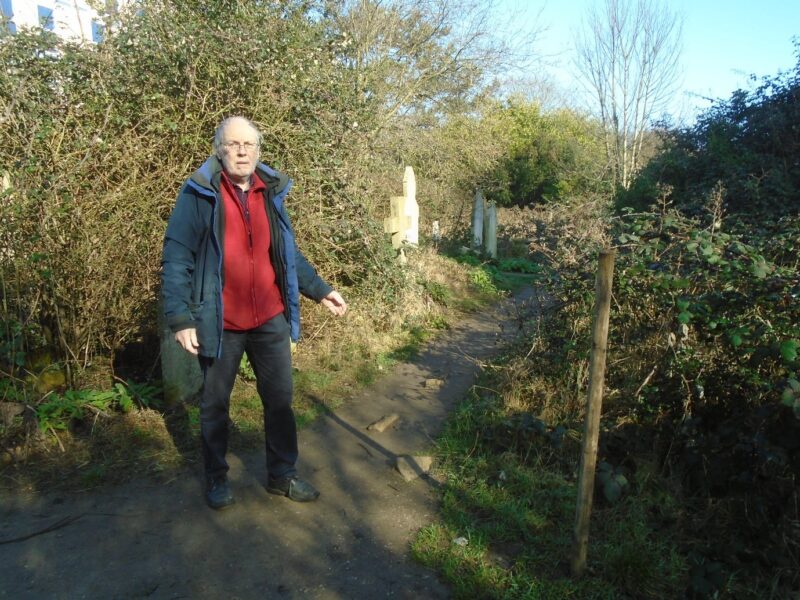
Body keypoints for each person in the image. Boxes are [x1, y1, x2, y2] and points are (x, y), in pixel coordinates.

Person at [161, 116, 347, 509]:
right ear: (219, 149)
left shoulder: (270, 191)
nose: (241, 151)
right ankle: (216, 478)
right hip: (220, 321)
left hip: (270, 320)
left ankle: (283, 475)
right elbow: (177, 257)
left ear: (259, 150)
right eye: (232, 144)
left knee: (280, 400)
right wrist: (180, 318)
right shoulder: (198, 193)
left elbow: (286, 254)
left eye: (248, 144)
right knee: (215, 404)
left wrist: (321, 290)